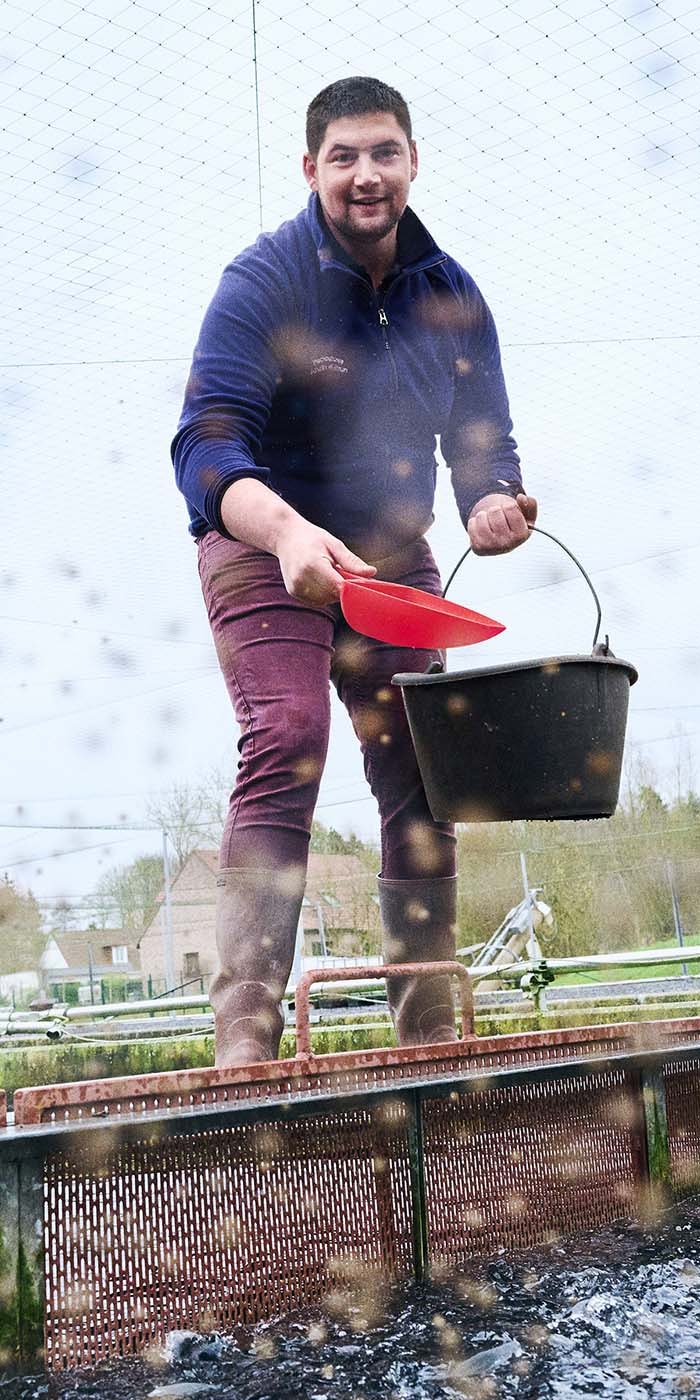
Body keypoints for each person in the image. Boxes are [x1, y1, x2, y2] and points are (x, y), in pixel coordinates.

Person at [172, 76, 537, 1068]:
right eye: (344, 156)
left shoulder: (450, 296)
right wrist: (289, 533)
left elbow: (481, 447)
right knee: (288, 734)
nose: (366, 175)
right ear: (311, 170)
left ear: (412, 162)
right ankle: (246, 1039)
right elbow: (205, 451)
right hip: (263, 545)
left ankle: (425, 1042)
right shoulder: (263, 282)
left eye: (384, 152)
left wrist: (493, 501)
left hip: (388, 558)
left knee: (424, 770)